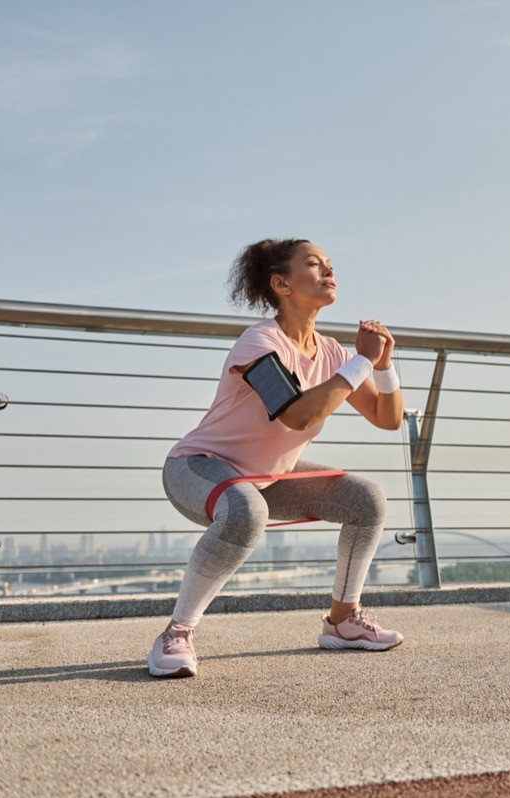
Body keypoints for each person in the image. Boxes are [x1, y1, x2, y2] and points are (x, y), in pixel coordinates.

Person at [147, 238, 404, 678]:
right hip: (197, 466)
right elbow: (297, 415)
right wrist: (361, 360)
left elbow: (388, 418)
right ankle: (176, 634)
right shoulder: (259, 343)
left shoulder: (332, 353)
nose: (328, 271)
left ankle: (343, 621)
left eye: (329, 264)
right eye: (314, 264)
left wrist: (381, 365)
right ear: (281, 284)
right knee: (246, 512)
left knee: (366, 500)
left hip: (267, 477)